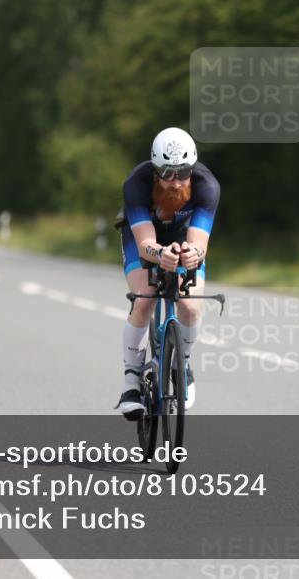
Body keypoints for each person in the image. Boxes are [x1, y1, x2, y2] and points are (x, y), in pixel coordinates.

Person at [115, 127, 219, 419]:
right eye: (167, 174)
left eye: (183, 173)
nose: (175, 182)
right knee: (144, 298)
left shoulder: (207, 186)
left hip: (183, 237)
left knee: (191, 307)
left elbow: (199, 242)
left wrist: (192, 253)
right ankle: (131, 381)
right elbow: (145, 243)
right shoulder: (136, 184)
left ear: (192, 168)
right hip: (142, 238)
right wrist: (161, 254)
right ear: (155, 171)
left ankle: (181, 364)